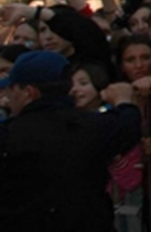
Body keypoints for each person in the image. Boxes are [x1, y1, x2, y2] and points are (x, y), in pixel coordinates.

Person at [0, 51, 143, 231]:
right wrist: (123, 101)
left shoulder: (8, 134)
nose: (8, 95)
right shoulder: (95, 126)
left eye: (11, 89)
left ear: (29, 92)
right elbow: (129, 125)